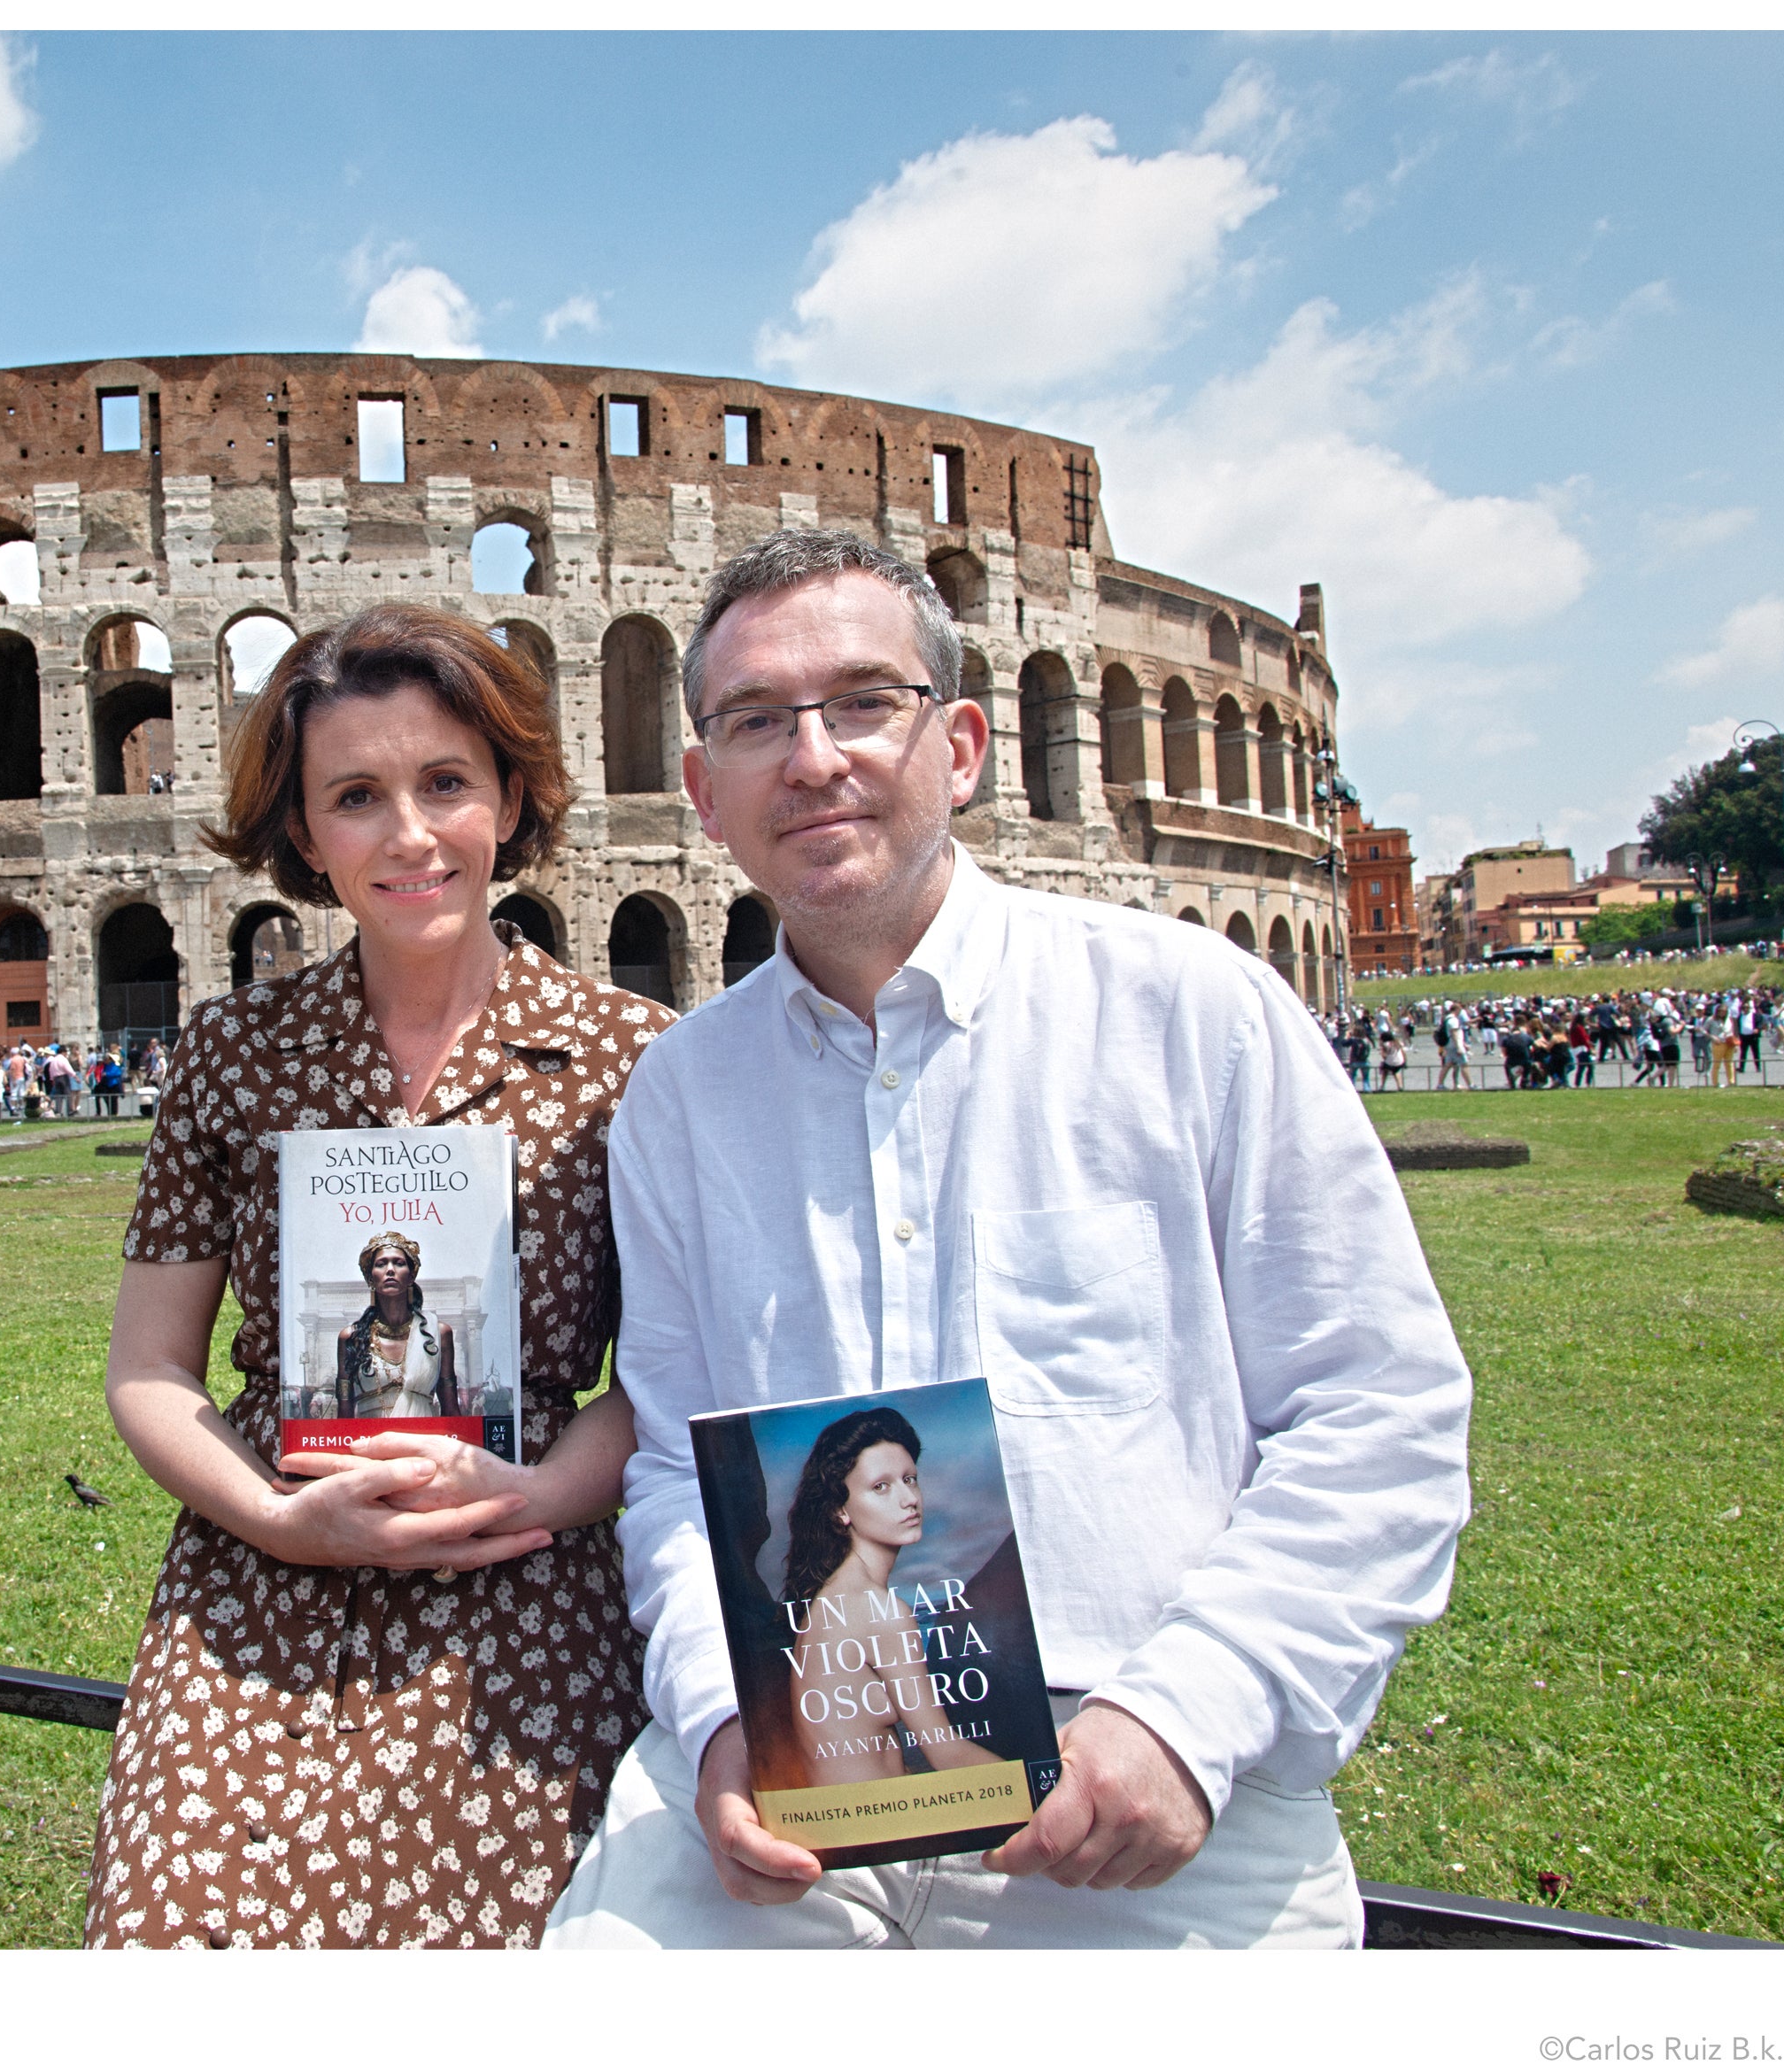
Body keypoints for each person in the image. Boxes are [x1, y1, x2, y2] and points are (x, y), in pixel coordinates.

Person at [544, 530, 1471, 1950]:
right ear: (701, 793)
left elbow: (1380, 1414)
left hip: (1140, 1760)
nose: (811, 757)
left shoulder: (1191, 1014)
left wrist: (1189, 1712)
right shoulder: (679, 1097)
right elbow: (675, 1460)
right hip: (792, 1779)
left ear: (962, 745)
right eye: (753, 722)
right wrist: (721, 1713)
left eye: (864, 702)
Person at [89, 601, 662, 1948]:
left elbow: (668, 1378)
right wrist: (281, 1521)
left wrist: (534, 1492)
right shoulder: (236, 1051)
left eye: (446, 783)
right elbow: (149, 1369)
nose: (409, 835)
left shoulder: (631, 1054)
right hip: (261, 1579)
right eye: (356, 796)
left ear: (510, 800)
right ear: (301, 832)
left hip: (527, 1582)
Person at [774, 1407, 1004, 1790]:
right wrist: (1041, 1789)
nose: (908, 1499)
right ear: (840, 1510)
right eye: (881, 1486)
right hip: (885, 1835)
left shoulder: (833, 1597)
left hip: (858, 1823)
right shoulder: (876, 1610)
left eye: (910, 1479)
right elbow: (946, 1754)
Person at [325, 1232, 458, 1419]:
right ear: (371, 1279)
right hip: (370, 1443)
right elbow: (344, 1415)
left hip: (423, 1442)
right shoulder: (350, 1337)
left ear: (411, 1277)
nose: (390, 1270)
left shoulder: (438, 1333)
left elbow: (451, 1410)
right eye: (381, 1264)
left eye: (399, 1263)